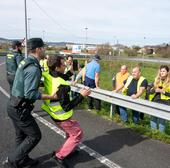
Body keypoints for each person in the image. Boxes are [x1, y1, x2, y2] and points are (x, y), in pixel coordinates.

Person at [3, 38, 57, 168]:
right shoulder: (33, 68)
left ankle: (22, 160)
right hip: (20, 109)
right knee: (35, 135)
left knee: (21, 135)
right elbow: (30, 94)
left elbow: (25, 81)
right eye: (43, 48)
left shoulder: (25, 61)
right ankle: (10, 162)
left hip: (14, 104)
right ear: (38, 49)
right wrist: (51, 96)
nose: (45, 50)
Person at [41, 55, 91, 168]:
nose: (65, 66)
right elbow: (67, 106)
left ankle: (69, 150)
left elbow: (61, 77)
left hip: (53, 112)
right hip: (62, 116)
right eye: (63, 65)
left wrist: (71, 70)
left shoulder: (48, 74)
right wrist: (82, 96)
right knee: (77, 134)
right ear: (57, 67)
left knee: (70, 133)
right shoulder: (62, 85)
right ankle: (59, 156)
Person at [149, 65, 170, 132]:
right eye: (161, 71)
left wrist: (163, 92)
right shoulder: (157, 80)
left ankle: (161, 135)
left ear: (167, 72)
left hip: (165, 102)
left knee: (161, 120)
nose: (162, 72)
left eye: (164, 71)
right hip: (155, 101)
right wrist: (154, 90)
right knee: (153, 118)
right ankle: (154, 133)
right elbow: (149, 90)